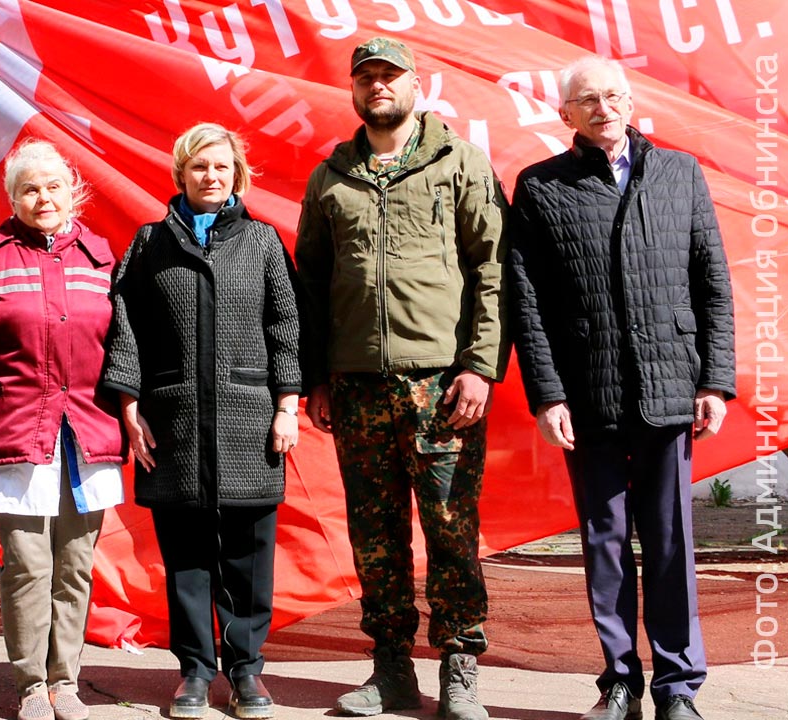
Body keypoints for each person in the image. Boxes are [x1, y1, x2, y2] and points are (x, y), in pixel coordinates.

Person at [508, 56, 735, 720]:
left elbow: (713, 287)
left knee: (670, 541)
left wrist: (715, 382)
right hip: (588, 394)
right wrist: (548, 396)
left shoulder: (679, 173)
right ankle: (619, 680)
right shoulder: (541, 186)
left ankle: (677, 687)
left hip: (670, 387)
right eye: (588, 99)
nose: (603, 107)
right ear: (566, 115)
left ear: (631, 102)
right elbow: (528, 304)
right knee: (603, 541)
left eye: (613, 95)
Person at [294, 38, 507, 720]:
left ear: (416, 84)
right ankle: (390, 670)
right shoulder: (331, 176)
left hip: (442, 385)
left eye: (389, 76)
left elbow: (493, 271)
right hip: (356, 387)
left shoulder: (460, 163)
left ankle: (459, 666)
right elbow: (313, 285)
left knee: (450, 529)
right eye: (367, 79)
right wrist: (317, 377)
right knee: (375, 535)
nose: (378, 87)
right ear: (355, 91)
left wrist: (480, 367)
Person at [104, 123, 302, 720]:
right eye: (199, 167)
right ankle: (193, 670)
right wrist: (131, 407)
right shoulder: (148, 245)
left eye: (221, 167)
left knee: (249, 553)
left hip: (251, 421)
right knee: (186, 557)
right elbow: (125, 328)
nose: (210, 177)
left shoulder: (264, 242)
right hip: (176, 421)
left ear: (237, 174)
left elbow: (287, 328)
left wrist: (286, 406)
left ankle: (247, 672)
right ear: (180, 175)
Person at [0, 140, 125, 720]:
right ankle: (30, 685)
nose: (44, 197)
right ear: (13, 197)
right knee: (27, 563)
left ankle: (66, 678)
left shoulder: (102, 260)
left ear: (73, 191)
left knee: (75, 565)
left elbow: (122, 348)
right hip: (14, 435)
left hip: (87, 434)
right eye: (30, 188)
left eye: (53, 186)